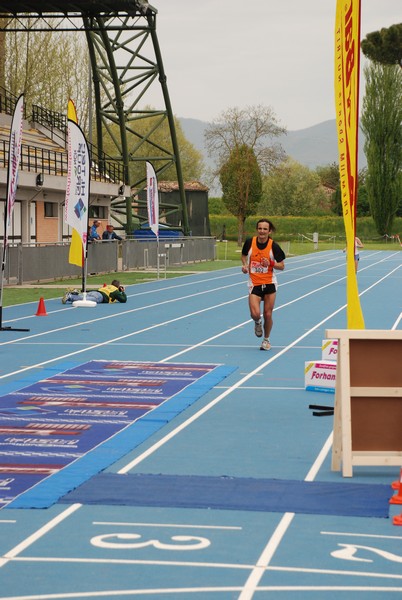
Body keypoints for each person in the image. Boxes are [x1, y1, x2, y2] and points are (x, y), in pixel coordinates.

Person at [241, 219, 286, 351]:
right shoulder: (250, 242)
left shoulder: (274, 246)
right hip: (254, 283)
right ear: (257, 230)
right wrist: (244, 265)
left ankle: (266, 340)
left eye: (265, 229)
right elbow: (244, 256)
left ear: (269, 231)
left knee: (267, 314)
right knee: (255, 313)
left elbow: (282, 266)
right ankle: (257, 322)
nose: (262, 231)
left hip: (269, 283)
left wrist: (270, 264)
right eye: (260, 228)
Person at [62, 280, 127, 304]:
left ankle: (73, 294)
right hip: (100, 297)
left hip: (95, 292)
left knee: (84, 297)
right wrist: (123, 292)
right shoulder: (115, 291)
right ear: (118, 286)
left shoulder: (108, 286)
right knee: (84, 300)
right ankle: (70, 296)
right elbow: (123, 300)